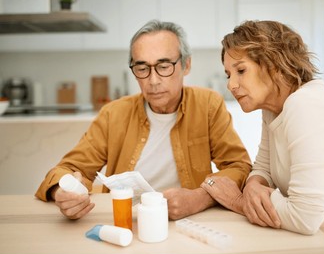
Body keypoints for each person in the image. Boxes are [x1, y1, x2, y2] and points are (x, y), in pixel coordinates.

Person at [201, 20, 324, 254]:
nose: (230, 84)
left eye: (241, 71)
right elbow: (263, 167)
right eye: (228, 74)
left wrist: (240, 202)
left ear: (273, 64)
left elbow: (305, 217)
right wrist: (253, 185)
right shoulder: (274, 108)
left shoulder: (305, 106)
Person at [35, 19, 251, 221]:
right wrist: (62, 191)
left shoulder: (207, 105)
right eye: (142, 68)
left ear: (186, 65)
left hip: (188, 221)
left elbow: (239, 166)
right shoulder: (114, 114)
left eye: (164, 66)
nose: (153, 80)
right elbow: (66, 169)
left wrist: (200, 197)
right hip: (125, 220)